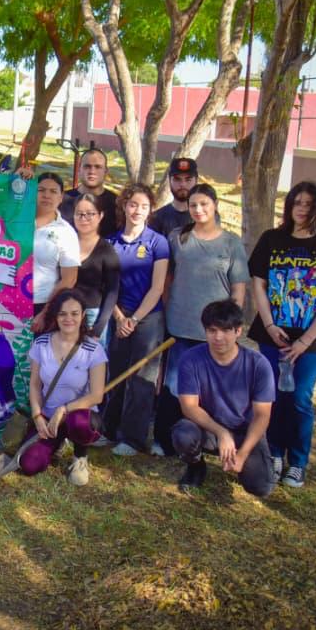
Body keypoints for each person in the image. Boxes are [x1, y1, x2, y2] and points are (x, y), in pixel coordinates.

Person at [248, 181, 316, 489]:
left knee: (300, 399)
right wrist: (268, 325)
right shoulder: (271, 240)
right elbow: (259, 286)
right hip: (273, 335)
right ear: (289, 205)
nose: (302, 208)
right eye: (297, 202)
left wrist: (304, 342)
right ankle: (274, 454)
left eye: (308, 203)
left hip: (312, 342)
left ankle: (298, 462)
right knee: (273, 396)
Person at [157, 184, 249, 455]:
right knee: (174, 385)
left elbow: (238, 288)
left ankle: (207, 440)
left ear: (215, 205)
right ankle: (166, 440)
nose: (198, 210)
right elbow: (167, 277)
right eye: (194, 205)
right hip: (180, 325)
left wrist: (231, 325)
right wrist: (166, 307)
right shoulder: (178, 238)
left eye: (204, 205)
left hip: (215, 331)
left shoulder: (231, 243)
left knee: (210, 388)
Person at [173, 299, 276, 498]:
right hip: (208, 428)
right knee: (183, 434)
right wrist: (222, 433)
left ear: (238, 331)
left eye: (226, 330)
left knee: (261, 488)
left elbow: (262, 416)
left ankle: (242, 461)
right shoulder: (191, 359)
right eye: (212, 330)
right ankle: (195, 466)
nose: (218, 337)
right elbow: (189, 407)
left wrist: (243, 453)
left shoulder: (258, 364)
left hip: (245, 431)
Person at [103, 183, 170, 456]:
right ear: (124, 206)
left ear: (150, 209)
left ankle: (133, 438)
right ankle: (108, 430)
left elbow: (157, 288)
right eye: (133, 205)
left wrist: (134, 319)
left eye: (144, 206)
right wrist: (119, 318)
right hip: (117, 317)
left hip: (148, 319)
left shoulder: (157, 242)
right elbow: (107, 287)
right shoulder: (110, 242)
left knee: (141, 379)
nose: (137, 211)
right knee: (116, 375)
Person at [18, 290, 108, 486]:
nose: (69, 319)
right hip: (48, 418)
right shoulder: (41, 344)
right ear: (55, 316)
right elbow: (35, 384)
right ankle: (55, 443)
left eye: (74, 313)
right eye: (62, 313)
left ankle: (80, 457)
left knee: (81, 424)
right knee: (29, 464)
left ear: (83, 315)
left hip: (77, 415)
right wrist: (37, 416)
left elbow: (97, 395)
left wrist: (64, 409)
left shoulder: (93, 349)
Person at [31, 172, 80, 331]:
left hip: (42, 305)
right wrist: (16, 180)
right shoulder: (15, 221)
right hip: (7, 302)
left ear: (61, 197)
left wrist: (45, 313)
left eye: (53, 192)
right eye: (41, 190)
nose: (46, 195)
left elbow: (69, 279)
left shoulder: (66, 232)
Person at [70, 193, 120, 340]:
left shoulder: (107, 250)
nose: (84, 218)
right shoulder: (65, 244)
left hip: (93, 317)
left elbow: (112, 291)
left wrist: (98, 329)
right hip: (65, 314)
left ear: (100, 216)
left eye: (90, 214)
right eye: (79, 214)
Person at [60, 149, 118, 237]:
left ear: (106, 171)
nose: (92, 171)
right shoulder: (61, 200)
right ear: (79, 169)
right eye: (87, 166)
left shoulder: (117, 204)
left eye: (98, 167)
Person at [149, 157, 198, 238]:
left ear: (196, 180)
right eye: (177, 179)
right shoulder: (156, 219)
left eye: (188, 180)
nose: (183, 184)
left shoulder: (204, 217)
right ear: (169, 180)